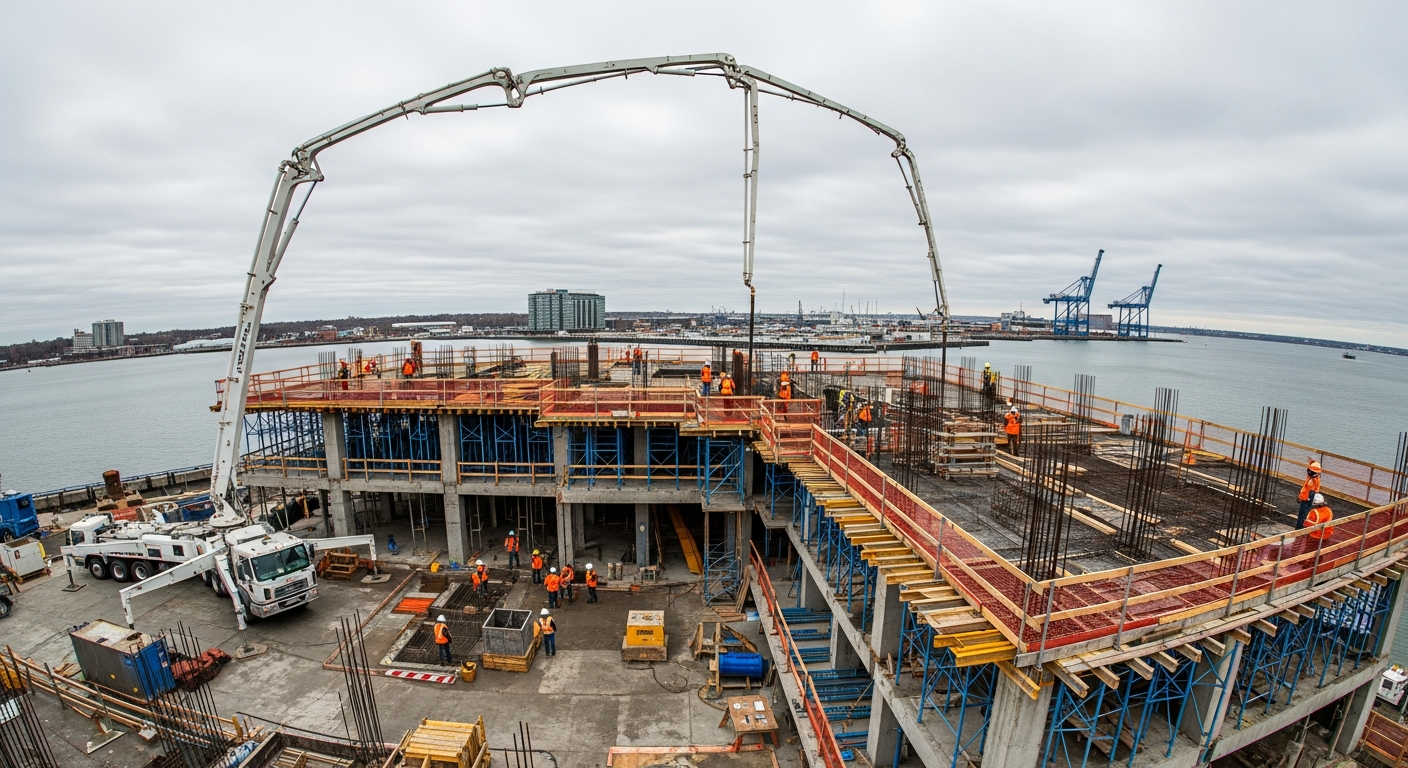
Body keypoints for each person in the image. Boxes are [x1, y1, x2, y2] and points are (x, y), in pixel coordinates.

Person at [1297, 459, 1323, 527]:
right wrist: (1300, 497)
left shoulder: (1314, 480)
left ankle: (1300, 530)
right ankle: (1300, 529)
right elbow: (1305, 489)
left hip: (1308, 497)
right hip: (1307, 497)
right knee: (1302, 515)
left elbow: (1308, 490)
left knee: (1303, 515)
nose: (1308, 472)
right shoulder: (1311, 477)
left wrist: (1302, 497)